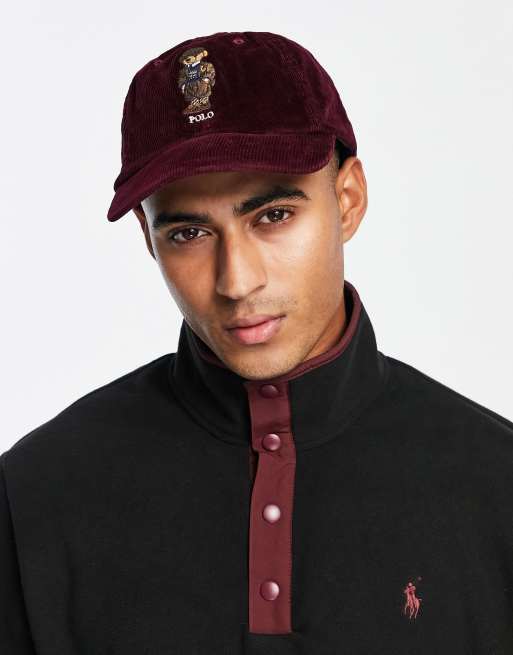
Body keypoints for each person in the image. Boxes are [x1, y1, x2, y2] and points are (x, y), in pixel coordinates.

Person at [2, 30, 513, 654]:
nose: (237, 281)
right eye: (188, 233)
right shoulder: (34, 495)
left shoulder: (497, 485)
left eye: (272, 216)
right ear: (147, 237)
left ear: (348, 201)